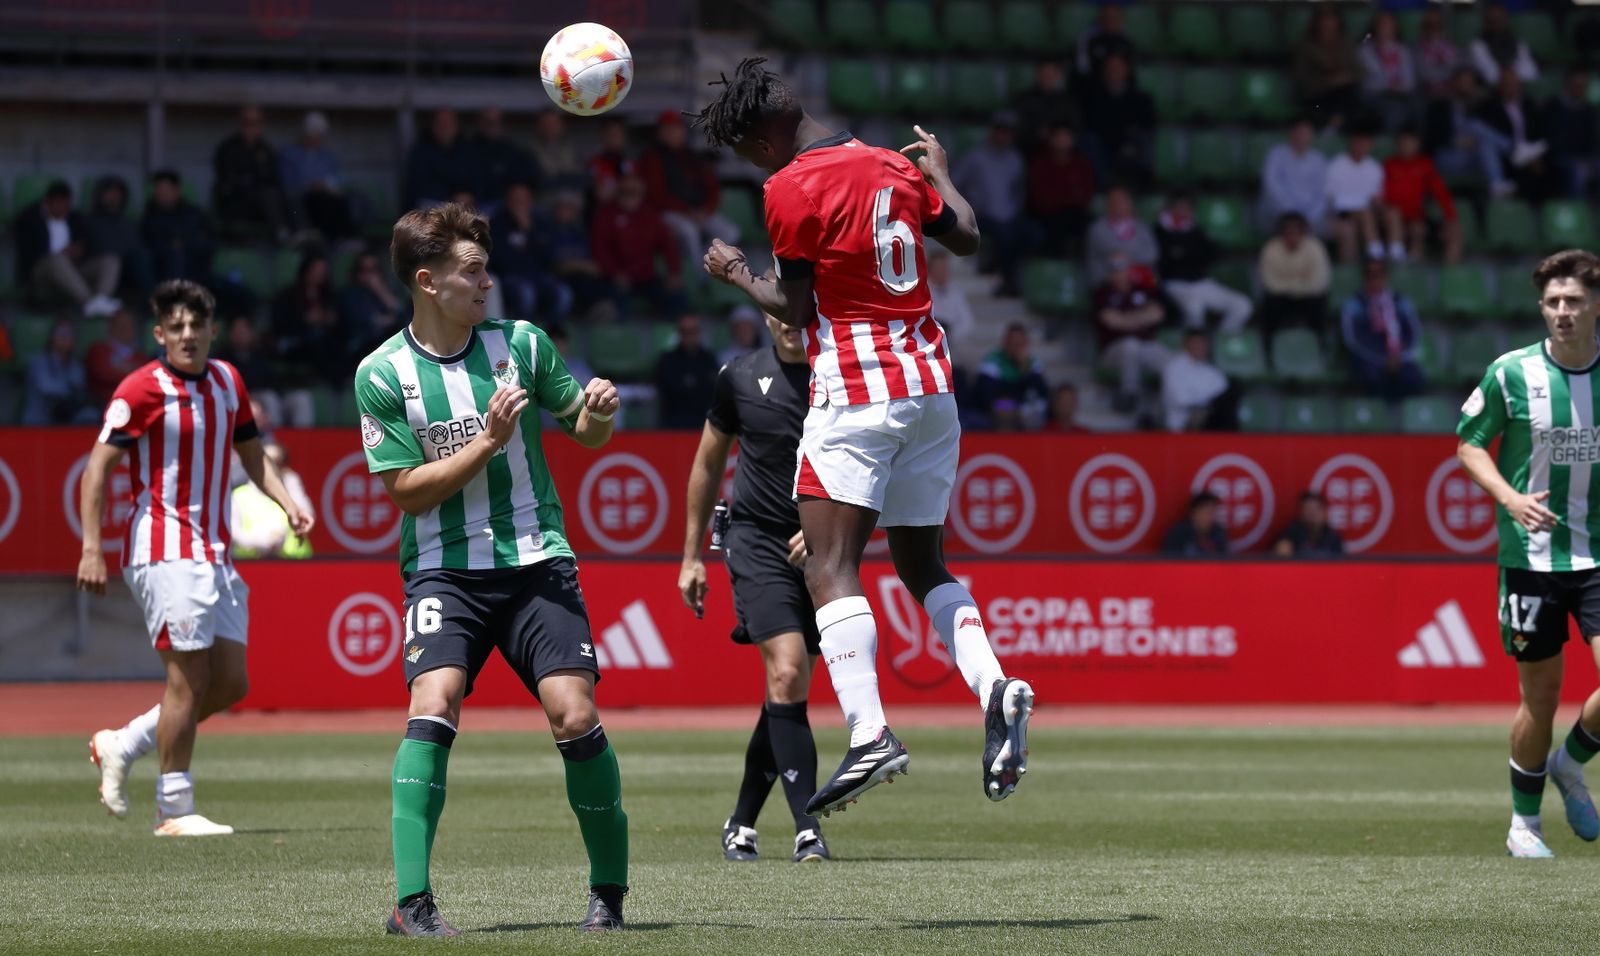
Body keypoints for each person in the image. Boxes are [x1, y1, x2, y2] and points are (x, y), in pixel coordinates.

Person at [693, 58, 1034, 814]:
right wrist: (941, 173)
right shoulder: (891, 164)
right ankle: (996, 684)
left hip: (856, 387)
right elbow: (970, 237)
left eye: (747, 148)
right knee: (922, 564)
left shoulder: (789, 186)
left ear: (765, 133)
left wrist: (736, 274)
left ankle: (870, 730)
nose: (753, 163)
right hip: (932, 385)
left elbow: (796, 306)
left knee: (827, 564)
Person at [352, 203, 629, 933]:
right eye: (472, 272)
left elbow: (587, 433)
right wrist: (487, 442)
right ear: (427, 281)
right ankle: (411, 905)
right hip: (444, 570)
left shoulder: (524, 346)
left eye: (485, 269)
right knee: (433, 702)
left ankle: (609, 895)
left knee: (576, 713)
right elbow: (406, 494)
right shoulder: (381, 373)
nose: (487, 283)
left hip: (538, 561)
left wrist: (599, 410)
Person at [77, 279, 312, 836]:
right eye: (175, 327)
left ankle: (123, 742)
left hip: (214, 550)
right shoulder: (139, 390)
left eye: (195, 326)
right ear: (160, 334)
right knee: (188, 679)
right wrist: (91, 546)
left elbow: (253, 458)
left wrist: (288, 503)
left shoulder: (229, 381)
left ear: (212, 330)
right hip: (162, 547)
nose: (187, 335)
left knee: (231, 683)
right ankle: (174, 809)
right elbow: (96, 470)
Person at [1456, 249, 1600, 860]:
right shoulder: (1511, 373)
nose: (1562, 312)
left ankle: (1570, 763)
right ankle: (1524, 825)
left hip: (1597, 557)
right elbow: (1469, 445)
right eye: (1552, 302)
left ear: (1595, 305)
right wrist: (1512, 498)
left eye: (1573, 301)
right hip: (1531, 559)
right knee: (1539, 698)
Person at [678, 310, 831, 864]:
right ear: (764, 314)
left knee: (785, 689)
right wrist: (692, 556)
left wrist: (825, 530)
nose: (791, 321)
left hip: (824, 548)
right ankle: (807, 827)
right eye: (779, 310)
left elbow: (880, 465)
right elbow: (706, 463)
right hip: (755, 542)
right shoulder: (738, 377)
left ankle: (741, 822)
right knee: (788, 668)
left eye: (801, 310)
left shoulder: (838, 373)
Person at [639, 110, 740, 281]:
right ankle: (703, 280)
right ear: (659, 133)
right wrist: (688, 212)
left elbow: (712, 188)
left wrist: (706, 210)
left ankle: (710, 265)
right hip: (669, 212)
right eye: (667, 129)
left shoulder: (693, 157)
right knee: (689, 231)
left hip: (699, 212)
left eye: (676, 128)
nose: (672, 133)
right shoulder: (652, 158)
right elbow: (656, 196)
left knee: (730, 232)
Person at [14, 180, 120, 316]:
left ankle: (101, 299)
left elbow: (88, 244)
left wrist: (79, 250)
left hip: (73, 269)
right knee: (57, 260)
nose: (63, 208)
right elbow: (28, 253)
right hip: (42, 271)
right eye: (59, 203)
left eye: (66, 204)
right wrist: (60, 253)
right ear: (48, 202)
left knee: (110, 260)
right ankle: (89, 302)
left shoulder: (75, 218)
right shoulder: (29, 218)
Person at [590, 174, 686, 319]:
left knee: (679, 300)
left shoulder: (650, 215)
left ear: (641, 194)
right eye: (625, 192)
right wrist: (615, 273)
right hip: (615, 279)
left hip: (646, 277)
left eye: (634, 192)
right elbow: (600, 250)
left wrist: (674, 272)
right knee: (616, 309)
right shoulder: (606, 215)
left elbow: (668, 245)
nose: (630, 196)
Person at [1155, 190, 1251, 333]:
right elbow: (1166, 263)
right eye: (1180, 207)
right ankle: (1194, 349)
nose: (1184, 211)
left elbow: (1210, 254)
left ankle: (1218, 342)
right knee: (1194, 308)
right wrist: (1187, 257)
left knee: (1242, 304)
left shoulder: (1196, 230)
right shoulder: (1159, 231)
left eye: (1188, 207)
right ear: (1170, 209)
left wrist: (1183, 256)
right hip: (1175, 285)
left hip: (1201, 283)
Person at [952, 113, 1026, 294]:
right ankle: (1003, 279)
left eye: (1008, 132)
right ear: (993, 132)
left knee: (1031, 234)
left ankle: (1002, 273)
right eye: (1001, 130)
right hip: (980, 215)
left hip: (1009, 216)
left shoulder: (1015, 159)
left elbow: (1019, 190)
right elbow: (952, 182)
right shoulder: (975, 157)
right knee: (1004, 236)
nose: (1004, 135)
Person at [271, 253, 346, 423]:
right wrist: (305, 320)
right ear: (305, 271)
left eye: (322, 271)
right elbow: (280, 326)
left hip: (323, 343)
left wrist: (327, 319)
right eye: (315, 270)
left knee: (330, 345)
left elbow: (339, 323)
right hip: (296, 343)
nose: (318, 275)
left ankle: (338, 379)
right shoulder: (288, 295)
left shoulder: (329, 296)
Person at [1340, 258, 1425, 402]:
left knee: (1414, 377)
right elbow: (1354, 340)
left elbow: (1414, 333)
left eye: (1379, 274)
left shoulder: (1400, 301)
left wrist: (1399, 356)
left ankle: (1406, 416)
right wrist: (1384, 358)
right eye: (1371, 274)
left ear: (1386, 276)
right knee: (1371, 377)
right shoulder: (1355, 304)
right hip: (1370, 359)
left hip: (1399, 358)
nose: (1375, 279)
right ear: (1365, 277)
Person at [1094, 253, 1170, 413]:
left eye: (1122, 268)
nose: (1118, 273)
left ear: (1129, 269)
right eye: (1114, 270)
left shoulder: (1142, 290)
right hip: (1112, 352)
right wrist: (1141, 318)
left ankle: (1161, 411)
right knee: (1130, 345)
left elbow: (1158, 314)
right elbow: (1111, 320)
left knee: (1172, 361)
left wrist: (1126, 319)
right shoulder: (1102, 293)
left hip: (1145, 346)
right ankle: (1129, 395)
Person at [491, 181, 571, 323]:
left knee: (563, 294)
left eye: (524, 199)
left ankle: (552, 335)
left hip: (537, 276)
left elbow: (548, 257)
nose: (520, 204)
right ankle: (524, 336)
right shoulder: (498, 223)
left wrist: (528, 231)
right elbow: (498, 260)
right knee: (526, 293)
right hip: (511, 276)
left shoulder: (539, 223)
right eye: (516, 199)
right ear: (508, 201)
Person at [1426, 67, 1512, 197]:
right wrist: (1456, 142)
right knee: (1475, 126)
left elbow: (1495, 121)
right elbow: (1432, 137)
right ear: (1454, 83)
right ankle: (1513, 149)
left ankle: (1496, 184)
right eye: (1463, 82)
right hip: (1448, 157)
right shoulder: (1440, 105)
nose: (1466, 86)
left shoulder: (1477, 105)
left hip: (1472, 156)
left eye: (1470, 83)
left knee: (1484, 142)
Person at [211, 105, 292, 241]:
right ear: (240, 124)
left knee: (289, 195)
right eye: (246, 122)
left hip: (262, 206)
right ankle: (281, 234)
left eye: (256, 122)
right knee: (267, 195)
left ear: (262, 125)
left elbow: (274, 177)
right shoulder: (228, 148)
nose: (251, 127)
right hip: (236, 204)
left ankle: (299, 233)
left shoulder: (266, 149)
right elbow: (227, 180)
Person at [1383, 127, 1461, 264]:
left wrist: (1450, 217)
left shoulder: (1425, 165)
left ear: (1417, 145)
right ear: (1397, 145)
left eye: (1411, 143)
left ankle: (1451, 275)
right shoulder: (1388, 165)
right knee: (1411, 225)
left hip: (1418, 218)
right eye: (1404, 143)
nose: (1407, 147)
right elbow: (1382, 197)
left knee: (1453, 231)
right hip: (1392, 220)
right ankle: (1403, 265)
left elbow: (1440, 192)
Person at [1325, 126, 1403, 263]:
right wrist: (1359, 204)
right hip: (1343, 211)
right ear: (1352, 143)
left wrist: (1379, 205)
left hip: (1369, 210)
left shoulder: (1374, 167)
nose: (1362, 146)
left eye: (1366, 143)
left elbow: (1377, 196)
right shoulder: (1336, 165)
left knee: (1392, 213)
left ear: (1370, 145)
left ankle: (1396, 252)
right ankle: (1375, 253)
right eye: (1359, 142)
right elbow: (1331, 197)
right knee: (1365, 213)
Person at [1474, 69, 1554, 202]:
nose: (1510, 87)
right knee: (1480, 132)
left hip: (1533, 151)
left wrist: (1537, 155)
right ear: (1500, 86)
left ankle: (1522, 152)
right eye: (1506, 84)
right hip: (1506, 156)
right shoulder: (1490, 107)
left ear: (1519, 85)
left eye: (1513, 83)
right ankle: (1517, 150)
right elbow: (1488, 136)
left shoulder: (1529, 105)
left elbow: (1542, 132)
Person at [1080, 53, 1155, 189]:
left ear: (1126, 70)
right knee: (1089, 141)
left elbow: (1147, 125)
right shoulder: (1093, 99)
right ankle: (1100, 187)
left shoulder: (1141, 99)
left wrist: (1129, 142)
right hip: (1104, 147)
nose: (1115, 71)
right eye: (1111, 67)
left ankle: (1144, 186)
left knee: (1143, 140)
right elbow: (1092, 125)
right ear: (1104, 71)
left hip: (1131, 146)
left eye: (1118, 67)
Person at [279, 110, 356, 241]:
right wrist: (311, 185)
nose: (317, 139)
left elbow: (337, 178)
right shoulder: (290, 155)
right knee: (323, 203)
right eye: (313, 135)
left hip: (327, 196)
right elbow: (288, 183)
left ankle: (345, 238)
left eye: (320, 136)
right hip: (305, 199)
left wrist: (327, 185)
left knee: (342, 201)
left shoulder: (326, 156)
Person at [231, 441, 315, 559]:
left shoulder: (291, 487)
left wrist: (291, 482)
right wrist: (265, 540)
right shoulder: (239, 495)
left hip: (292, 562)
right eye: (267, 461)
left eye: (277, 462)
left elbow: (305, 515)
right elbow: (236, 534)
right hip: (251, 565)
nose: (271, 467)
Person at [1259, 212, 1333, 341]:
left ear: (1304, 231)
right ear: (1281, 232)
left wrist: (1289, 286)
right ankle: (1269, 347)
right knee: (1270, 304)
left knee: (1319, 303)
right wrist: (1299, 285)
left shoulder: (1315, 248)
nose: (1292, 234)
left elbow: (1319, 283)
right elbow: (1269, 283)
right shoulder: (1270, 249)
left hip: (1308, 298)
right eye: (1288, 230)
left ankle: (1320, 347)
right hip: (1281, 299)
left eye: (1296, 230)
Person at [1026, 125, 1095, 259]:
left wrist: (1068, 201)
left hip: (1075, 212)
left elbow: (1086, 193)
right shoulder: (1040, 164)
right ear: (1051, 140)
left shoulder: (1082, 164)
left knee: (1088, 225)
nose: (1062, 140)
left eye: (1066, 136)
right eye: (1059, 137)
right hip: (1047, 214)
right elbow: (1038, 196)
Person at [142, 170, 215, 286]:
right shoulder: (150, 216)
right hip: (164, 266)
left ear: (176, 190)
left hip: (197, 264)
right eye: (159, 190)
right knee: (176, 256)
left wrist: (186, 242)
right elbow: (150, 242)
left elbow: (211, 240)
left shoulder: (194, 214)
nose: (162, 194)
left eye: (166, 190)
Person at [974, 323, 1051, 431]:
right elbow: (985, 395)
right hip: (998, 404)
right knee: (1006, 409)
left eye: (1020, 343)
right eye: (1013, 343)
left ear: (1026, 344)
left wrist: (1024, 370)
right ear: (1005, 343)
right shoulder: (992, 362)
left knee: (1036, 410)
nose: (1016, 347)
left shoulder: (1032, 363)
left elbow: (1042, 392)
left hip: (1022, 405)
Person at [1294, 7, 1362, 129]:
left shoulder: (1346, 44)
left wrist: (1346, 77)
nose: (1327, 25)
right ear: (1316, 23)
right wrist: (1329, 81)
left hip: (1344, 94)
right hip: (1317, 96)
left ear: (1337, 23)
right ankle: (1332, 127)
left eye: (1331, 21)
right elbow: (1302, 78)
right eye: (1324, 21)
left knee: (1349, 96)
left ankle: (1335, 126)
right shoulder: (1305, 47)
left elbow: (1359, 71)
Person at [1258, 117, 1330, 234]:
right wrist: (1293, 217)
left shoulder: (1318, 159)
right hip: (1279, 214)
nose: (1302, 136)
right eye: (1299, 132)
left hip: (1310, 217)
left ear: (1311, 135)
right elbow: (1272, 187)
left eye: (1306, 133)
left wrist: (1310, 216)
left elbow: (1322, 193)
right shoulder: (1276, 155)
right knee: (1291, 227)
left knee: (1342, 228)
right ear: (1291, 133)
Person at [85, 175, 153, 297]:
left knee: (143, 256)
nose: (114, 197)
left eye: (117, 193)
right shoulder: (89, 221)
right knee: (114, 260)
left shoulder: (128, 222)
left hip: (129, 268)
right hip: (103, 267)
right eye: (110, 192)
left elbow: (137, 245)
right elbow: (96, 248)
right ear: (100, 195)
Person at [404, 108, 482, 210]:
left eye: (448, 123)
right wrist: (450, 198)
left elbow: (478, 180)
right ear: (432, 126)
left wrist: (468, 196)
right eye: (440, 123)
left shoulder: (468, 150)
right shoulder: (421, 151)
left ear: (456, 126)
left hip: (465, 205)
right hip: (434, 205)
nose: (444, 127)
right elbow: (417, 188)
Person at [22, 320, 96, 425]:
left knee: (90, 414)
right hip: (38, 423)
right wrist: (69, 389)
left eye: (69, 334)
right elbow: (46, 387)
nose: (65, 338)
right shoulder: (38, 361)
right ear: (52, 337)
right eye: (61, 333)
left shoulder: (76, 365)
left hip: (67, 422)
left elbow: (79, 387)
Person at [655, 313, 721, 430]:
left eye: (693, 331)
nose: (690, 335)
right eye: (685, 331)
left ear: (699, 332)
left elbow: (714, 390)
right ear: (679, 333)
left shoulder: (709, 359)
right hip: (675, 421)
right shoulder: (667, 360)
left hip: (705, 421)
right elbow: (671, 392)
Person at [1161, 330, 1236, 433]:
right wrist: (1206, 400)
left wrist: (1205, 399)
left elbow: (1223, 389)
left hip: (1209, 415)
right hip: (1185, 420)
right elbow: (1180, 399)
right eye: (1195, 343)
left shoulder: (1211, 370)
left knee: (1234, 387)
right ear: (1186, 344)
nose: (1199, 347)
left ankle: (1230, 439)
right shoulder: (1174, 367)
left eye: (1202, 343)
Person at [469, 107, 540, 211]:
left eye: (496, 122)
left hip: (506, 204)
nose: (492, 126)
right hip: (478, 203)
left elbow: (530, 178)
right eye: (488, 122)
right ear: (480, 123)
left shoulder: (512, 151)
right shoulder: (469, 149)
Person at [1085, 185, 1157, 286]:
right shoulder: (1098, 228)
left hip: (1139, 281)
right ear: (1107, 204)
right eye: (1114, 200)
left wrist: (1125, 258)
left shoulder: (1142, 227)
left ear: (1130, 202)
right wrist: (1131, 256)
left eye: (1123, 199)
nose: (1119, 204)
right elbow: (1111, 253)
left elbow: (1151, 254)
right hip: (1107, 283)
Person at [340, 251, 409, 355]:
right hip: (362, 346)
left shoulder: (384, 291)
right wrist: (385, 320)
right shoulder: (351, 294)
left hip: (386, 344)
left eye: (374, 269)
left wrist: (380, 290)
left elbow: (402, 313)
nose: (372, 275)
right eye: (367, 270)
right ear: (358, 273)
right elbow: (361, 321)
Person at [1546, 67, 1600, 200]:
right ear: (1568, 85)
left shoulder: (1589, 109)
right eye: (1577, 85)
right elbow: (1552, 140)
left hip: (1585, 156)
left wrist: (1589, 157)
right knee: (1579, 171)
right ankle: (1579, 212)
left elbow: (1592, 140)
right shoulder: (1554, 106)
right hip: (1561, 156)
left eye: (1583, 85)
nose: (1580, 88)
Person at [1360, 11, 1418, 132]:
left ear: (1395, 28)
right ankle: (1386, 141)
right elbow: (1368, 82)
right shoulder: (1365, 50)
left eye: (1388, 25)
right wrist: (1390, 86)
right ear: (1375, 27)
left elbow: (1410, 82)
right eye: (1381, 25)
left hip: (1401, 94)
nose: (1384, 29)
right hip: (1374, 95)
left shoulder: (1403, 51)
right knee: (1396, 110)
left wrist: (1398, 88)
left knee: (1420, 105)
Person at [85, 307, 147, 407]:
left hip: (135, 406)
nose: (124, 328)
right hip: (101, 406)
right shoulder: (99, 350)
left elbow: (145, 381)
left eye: (129, 325)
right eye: (120, 324)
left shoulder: (140, 356)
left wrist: (120, 369)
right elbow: (103, 375)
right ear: (111, 326)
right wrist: (131, 370)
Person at [1010, 62, 1077, 153]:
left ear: (1057, 75)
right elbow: (1017, 126)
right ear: (1038, 74)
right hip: (1031, 149)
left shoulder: (1066, 101)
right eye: (1045, 74)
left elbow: (1075, 125)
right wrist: (1036, 132)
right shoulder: (1024, 100)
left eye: (1051, 74)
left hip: (1061, 150)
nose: (1048, 78)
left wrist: (1058, 134)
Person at [1470, 2, 1539, 87]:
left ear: (1506, 20)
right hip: (1494, 93)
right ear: (1486, 22)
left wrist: (1512, 78)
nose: (1496, 23)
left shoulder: (1518, 43)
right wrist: (1509, 79)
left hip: (1519, 91)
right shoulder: (1477, 46)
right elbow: (1491, 77)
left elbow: (1531, 73)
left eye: (1499, 19)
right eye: (1492, 20)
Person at [926, 250, 976, 348]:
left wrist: (950, 335)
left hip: (953, 340)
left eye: (944, 268)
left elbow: (967, 321)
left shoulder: (956, 292)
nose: (942, 271)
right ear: (929, 270)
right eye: (938, 268)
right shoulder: (923, 292)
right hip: (929, 340)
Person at [531, 109, 585, 197]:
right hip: (545, 201)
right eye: (546, 123)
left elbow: (581, 179)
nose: (550, 127)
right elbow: (540, 182)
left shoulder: (573, 150)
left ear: (562, 126)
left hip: (571, 203)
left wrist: (558, 178)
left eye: (554, 123)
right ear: (538, 127)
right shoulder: (531, 152)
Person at [1273, 491, 1344, 557]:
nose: (1312, 514)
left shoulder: (1332, 537)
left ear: (1325, 512)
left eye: (1316, 509)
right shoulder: (1291, 534)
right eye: (1308, 509)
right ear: (1301, 512)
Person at [1413, 6, 1462, 100]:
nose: (1433, 30)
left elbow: (1454, 70)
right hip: (1426, 95)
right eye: (1429, 25)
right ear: (1423, 27)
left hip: (1449, 94)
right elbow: (1424, 75)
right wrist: (1442, 68)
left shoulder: (1450, 46)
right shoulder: (1416, 48)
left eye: (1437, 25)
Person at [1077, 3, 1135, 81]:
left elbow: (1131, 67)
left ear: (1120, 19)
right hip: (1094, 82)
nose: (1111, 20)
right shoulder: (1090, 39)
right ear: (1102, 18)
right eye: (1108, 17)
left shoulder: (1126, 40)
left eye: (1114, 17)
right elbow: (1083, 67)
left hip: (1120, 84)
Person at [1160, 492, 1229, 557]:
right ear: (1194, 512)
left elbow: (1224, 560)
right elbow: (1169, 561)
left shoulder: (1218, 532)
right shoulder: (1178, 533)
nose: (1212, 515)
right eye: (1207, 512)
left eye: (1214, 511)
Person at [588, 117, 634, 206]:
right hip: (603, 210)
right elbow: (599, 192)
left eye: (618, 134)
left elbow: (635, 189)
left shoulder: (630, 162)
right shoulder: (595, 161)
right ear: (604, 136)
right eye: (611, 134)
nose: (615, 137)